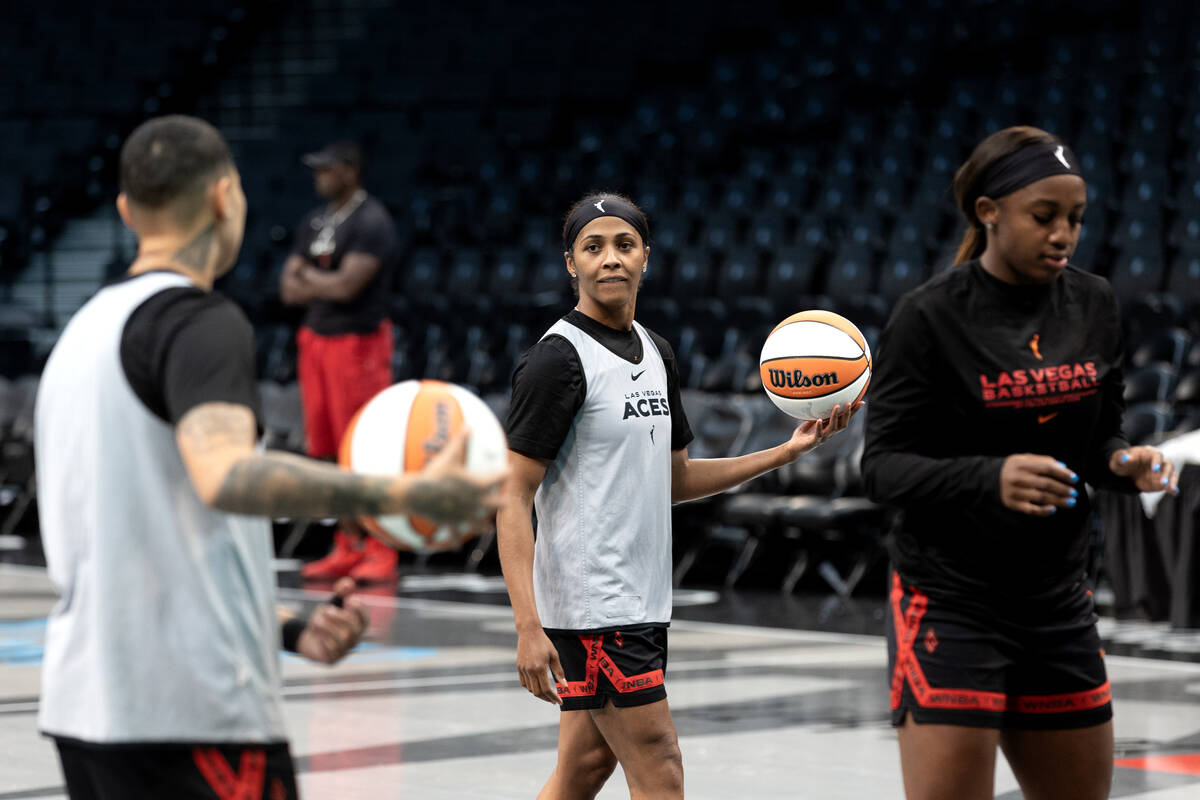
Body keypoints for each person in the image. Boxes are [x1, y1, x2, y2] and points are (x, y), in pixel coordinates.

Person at [34, 115, 503, 799]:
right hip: (191, 714)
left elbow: (141, 544)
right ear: (227, 196)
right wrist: (403, 495)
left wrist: (285, 629)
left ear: (127, 211)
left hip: (86, 709)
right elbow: (223, 474)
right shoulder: (199, 320)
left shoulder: (80, 333)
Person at [497, 192, 859, 800]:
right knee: (660, 766)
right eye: (593, 247)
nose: (610, 259)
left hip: (642, 598)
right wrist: (527, 626)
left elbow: (675, 479)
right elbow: (512, 495)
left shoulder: (656, 351)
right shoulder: (556, 361)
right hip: (596, 606)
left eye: (624, 244)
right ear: (571, 263)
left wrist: (786, 452)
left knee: (584, 769)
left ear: (646, 257)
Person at [861, 125, 1180, 800]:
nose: (1063, 233)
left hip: (1057, 601)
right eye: (1044, 217)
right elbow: (881, 468)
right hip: (950, 601)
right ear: (989, 212)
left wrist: (1125, 461)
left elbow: (1100, 438)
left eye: (1075, 219)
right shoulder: (928, 317)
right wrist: (990, 476)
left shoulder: (1093, 303)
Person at [278, 140, 400, 583]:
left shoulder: (372, 221)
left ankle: (380, 546)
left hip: (358, 343)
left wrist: (310, 277)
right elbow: (287, 289)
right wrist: (320, 281)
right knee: (327, 450)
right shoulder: (314, 221)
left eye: (326, 169)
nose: (319, 177)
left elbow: (348, 288)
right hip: (316, 341)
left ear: (350, 171)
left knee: (364, 448)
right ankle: (347, 543)